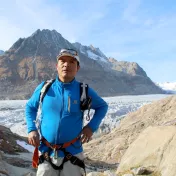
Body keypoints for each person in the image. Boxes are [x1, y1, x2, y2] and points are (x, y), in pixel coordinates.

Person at [25, 48, 108, 176]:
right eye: (62, 60)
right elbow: (30, 107)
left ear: (77, 68)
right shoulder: (44, 88)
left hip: (73, 155)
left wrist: (91, 127)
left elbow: (102, 106)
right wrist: (31, 129)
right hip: (47, 153)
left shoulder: (83, 91)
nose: (66, 64)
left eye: (71, 62)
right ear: (56, 65)